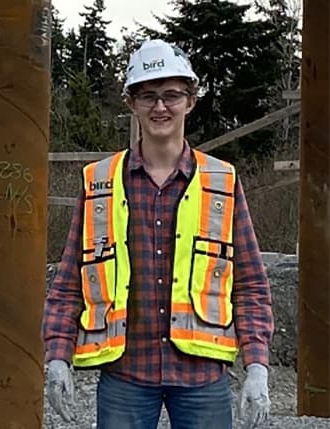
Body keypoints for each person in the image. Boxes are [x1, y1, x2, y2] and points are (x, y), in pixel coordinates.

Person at [42, 39, 273, 429]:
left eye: (171, 95)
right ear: (131, 103)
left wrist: (257, 367)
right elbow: (69, 282)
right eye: (148, 95)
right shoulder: (100, 183)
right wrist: (57, 356)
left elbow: (250, 285)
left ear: (191, 100)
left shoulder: (222, 182)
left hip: (202, 378)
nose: (160, 106)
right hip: (126, 377)